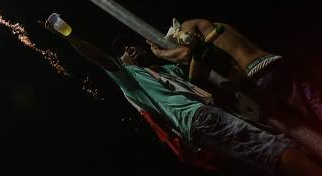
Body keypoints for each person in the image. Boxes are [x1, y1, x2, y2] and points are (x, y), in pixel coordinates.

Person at [44, 13, 322, 175]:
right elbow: (101, 59)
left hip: (216, 112)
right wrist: (70, 36)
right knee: (269, 147)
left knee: (281, 142)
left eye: (130, 46)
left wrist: (183, 52)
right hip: (199, 118)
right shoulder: (131, 79)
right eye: (123, 52)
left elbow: (193, 70)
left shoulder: (165, 71)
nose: (129, 51)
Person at [151, 18, 322, 128]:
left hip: (256, 72)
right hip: (272, 61)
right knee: (312, 103)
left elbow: (187, 46)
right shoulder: (217, 27)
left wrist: (160, 54)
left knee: (301, 119)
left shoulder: (188, 27)